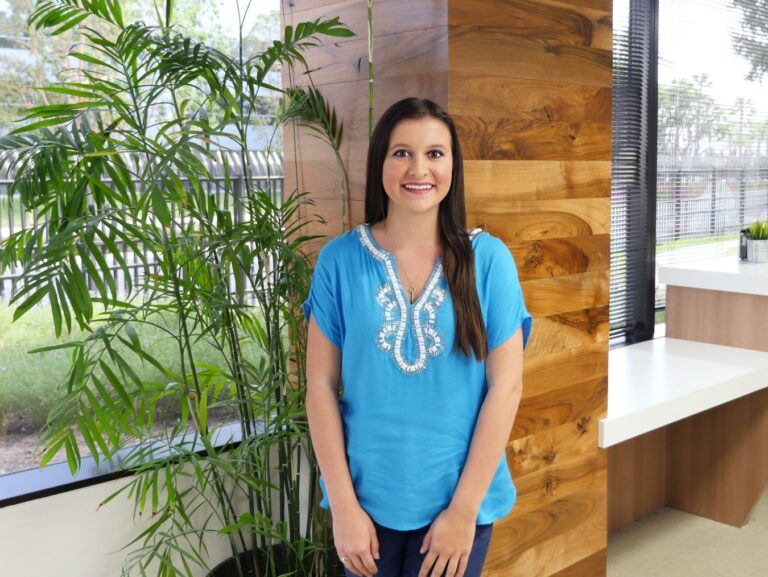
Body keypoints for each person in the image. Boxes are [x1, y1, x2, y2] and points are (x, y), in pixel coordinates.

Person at [303, 97, 532, 577]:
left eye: (435, 153)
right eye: (401, 152)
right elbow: (320, 388)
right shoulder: (339, 262)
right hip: (365, 510)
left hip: (457, 506)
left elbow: (506, 388)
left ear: (453, 166)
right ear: (381, 162)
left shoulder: (487, 261)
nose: (418, 167)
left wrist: (463, 511)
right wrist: (343, 507)